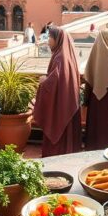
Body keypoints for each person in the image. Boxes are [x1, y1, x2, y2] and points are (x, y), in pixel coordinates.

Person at [33, 26, 82, 156]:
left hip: (61, 105)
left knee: (59, 138)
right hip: (66, 102)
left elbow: (54, 82)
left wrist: (44, 81)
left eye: (50, 37)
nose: (48, 40)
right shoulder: (65, 55)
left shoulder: (60, 57)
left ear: (58, 39)